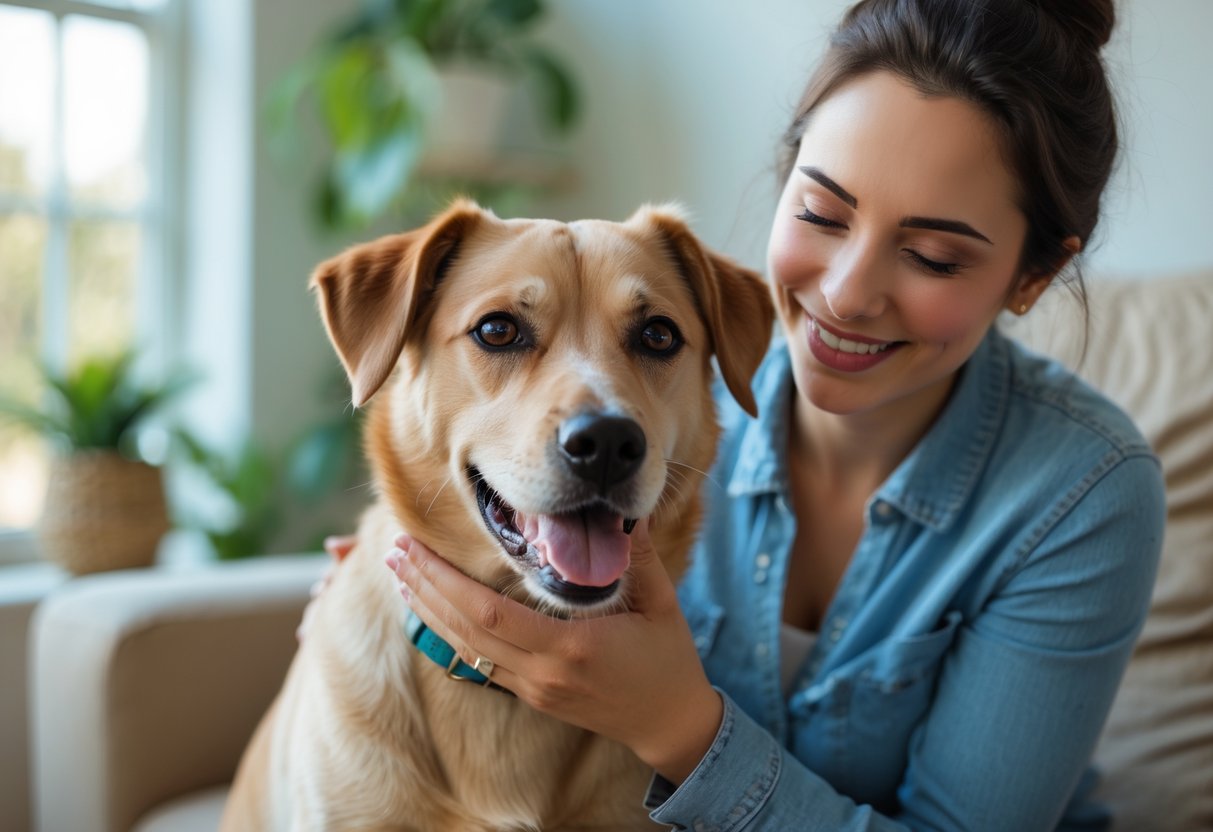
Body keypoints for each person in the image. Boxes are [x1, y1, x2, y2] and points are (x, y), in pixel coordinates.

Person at [382, 0, 1167, 828]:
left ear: (1030, 278)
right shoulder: (661, 392)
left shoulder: (1084, 493)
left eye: (932, 256)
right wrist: (398, 594)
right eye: (822, 214)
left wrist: (679, 728)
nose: (845, 294)